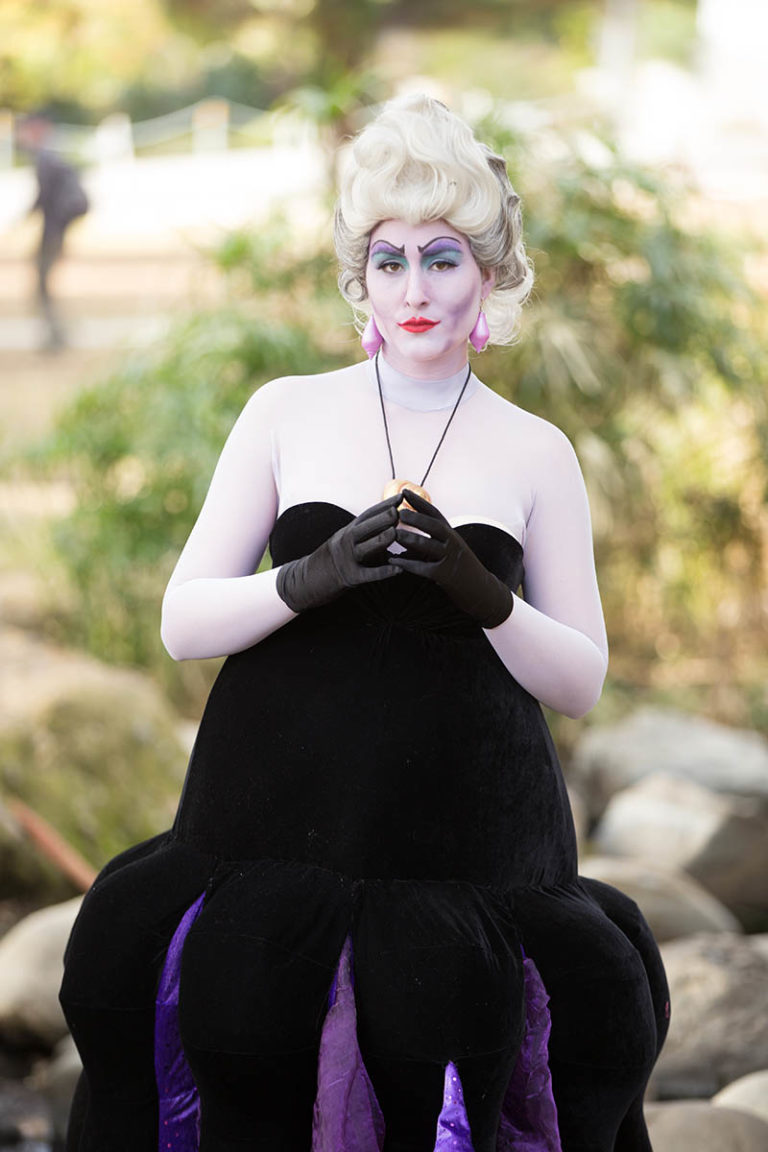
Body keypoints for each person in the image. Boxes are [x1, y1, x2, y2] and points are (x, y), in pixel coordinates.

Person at [59, 94, 669, 1152]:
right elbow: (182, 622)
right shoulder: (285, 412)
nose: (415, 289)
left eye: (443, 259)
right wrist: (310, 576)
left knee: (443, 1077)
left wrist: (486, 596)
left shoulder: (537, 451)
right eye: (390, 260)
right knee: (251, 1062)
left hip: (470, 852)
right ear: (361, 279)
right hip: (266, 826)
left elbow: (580, 682)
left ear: (490, 274)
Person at [16, 113, 89, 351]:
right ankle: (56, 334)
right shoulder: (53, 157)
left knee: (42, 284)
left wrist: (24, 219)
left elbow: (43, 198)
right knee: (43, 283)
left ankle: (56, 335)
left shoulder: (46, 159)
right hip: (56, 230)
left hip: (53, 231)